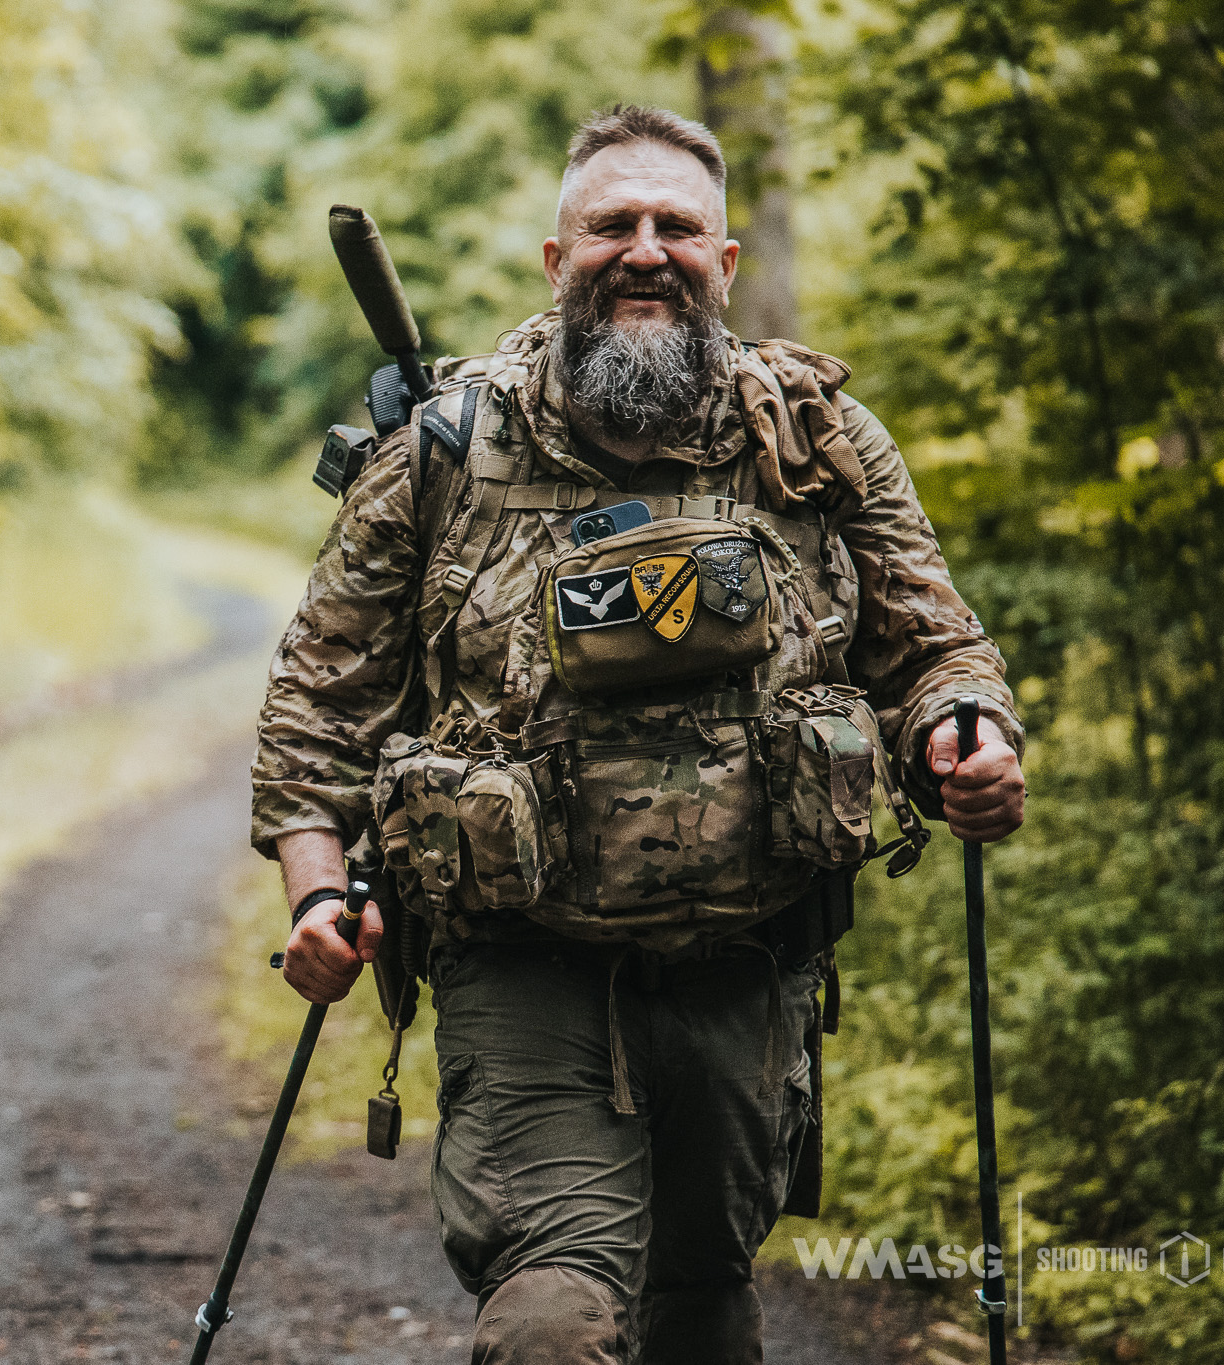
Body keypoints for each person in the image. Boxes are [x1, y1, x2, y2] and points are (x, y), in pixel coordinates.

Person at [250, 105, 1026, 1365]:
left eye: (677, 227)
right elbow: (318, 709)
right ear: (557, 263)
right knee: (553, 1318)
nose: (644, 250)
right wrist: (314, 895)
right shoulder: (442, 453)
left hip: (745, 962)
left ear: (722, 265)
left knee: (700, 1306)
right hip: (521, 962)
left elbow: (932, 647)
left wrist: (966, 734)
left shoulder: (816, 443)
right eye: (612, 225)